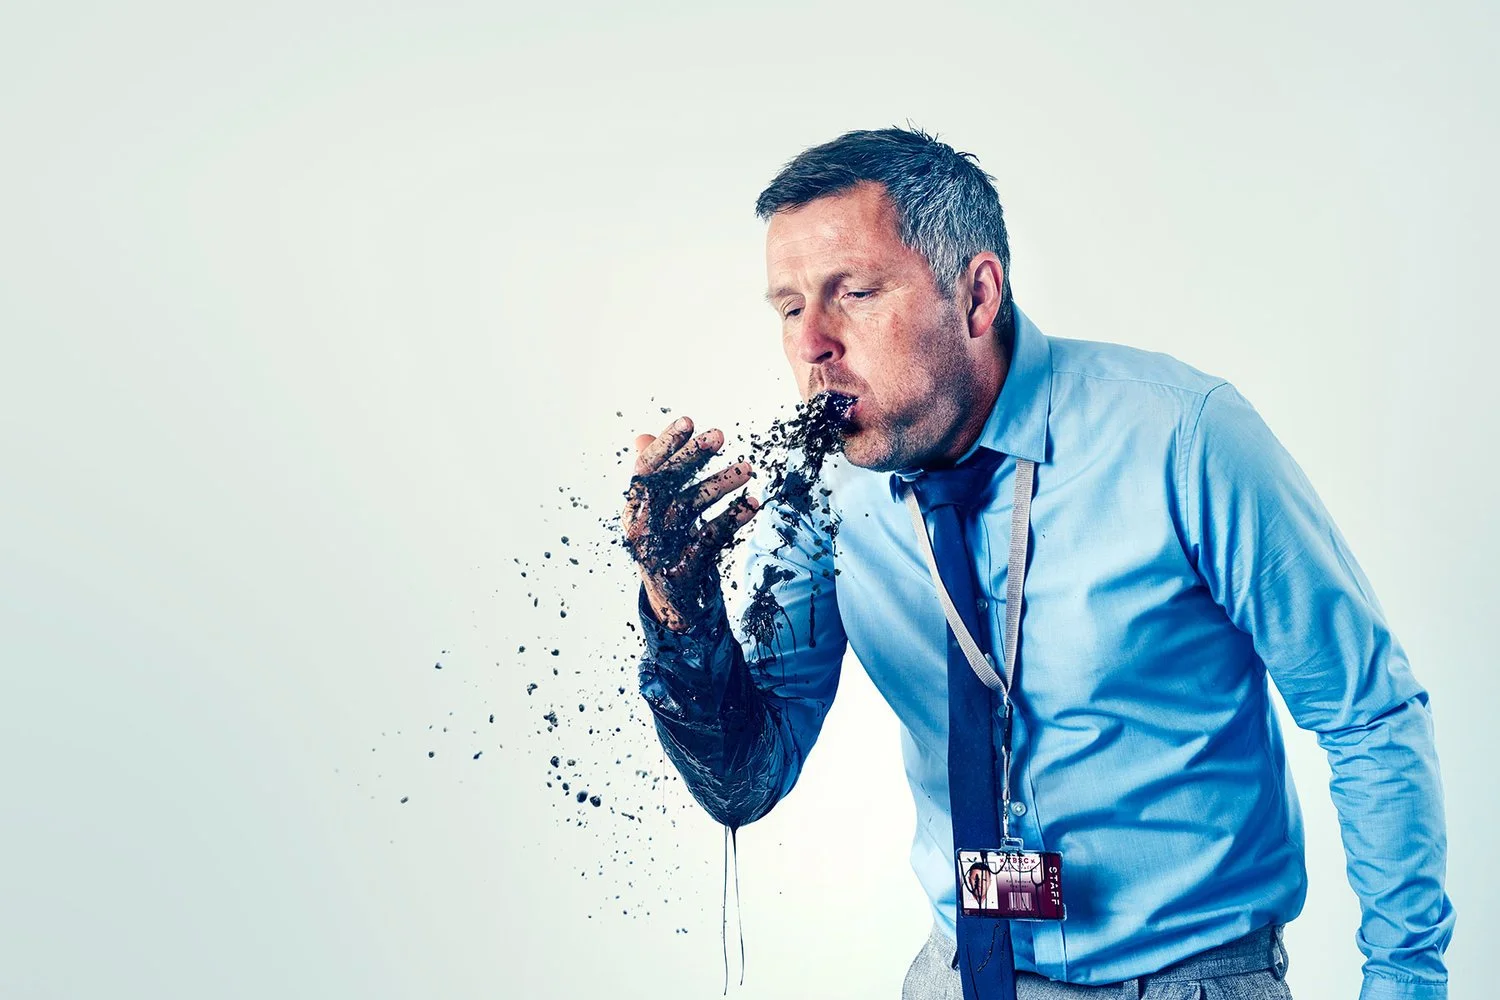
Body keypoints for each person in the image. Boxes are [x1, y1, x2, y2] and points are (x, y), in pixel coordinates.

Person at [620, 126, 1454, 1000]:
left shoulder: (1183, 437)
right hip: (954, 974)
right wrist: (684, 619)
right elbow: (748, 777)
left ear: (978, 296)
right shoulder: (819, 490)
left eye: (855, 292)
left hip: (1185, 981)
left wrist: (1405, 983)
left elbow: (1368, 715)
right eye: (790, 308)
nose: (812, 344)